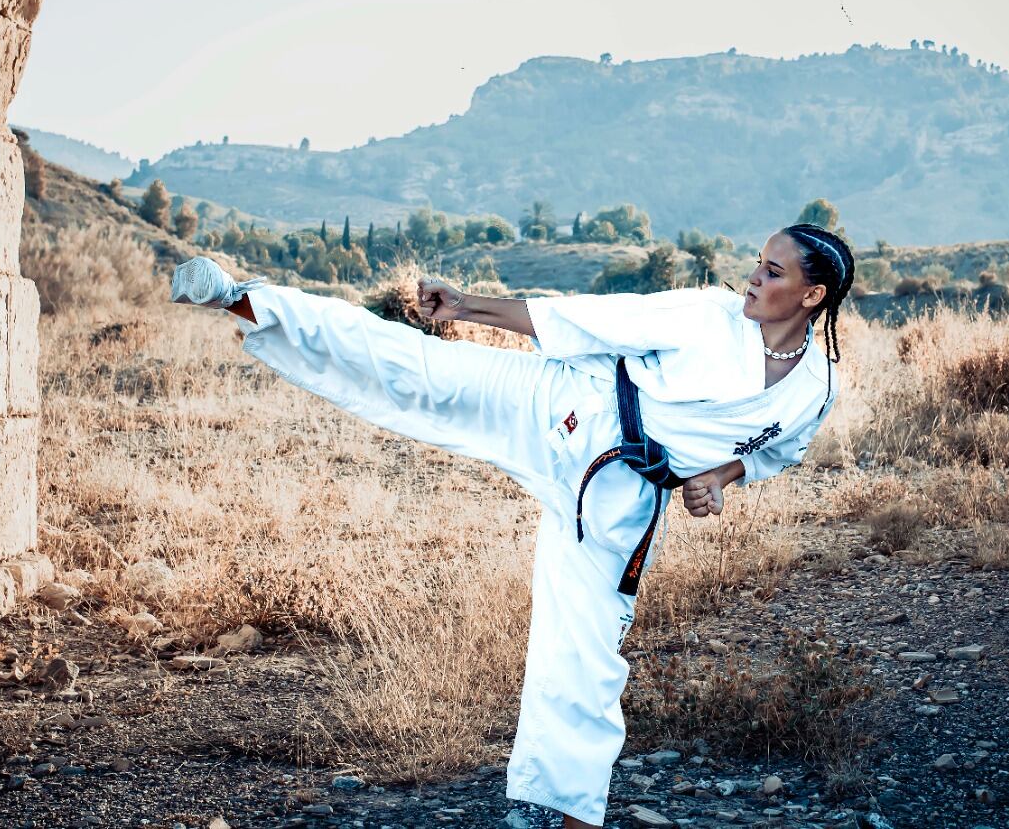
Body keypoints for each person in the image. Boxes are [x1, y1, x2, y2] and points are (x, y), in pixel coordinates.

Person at [168, 223, 854, 828]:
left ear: (812, 295)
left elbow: (775, 450)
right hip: (565, 407)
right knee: (422, 370)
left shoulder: (814, 386)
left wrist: (718, 480)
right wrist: (466, 306)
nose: (754, 278)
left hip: (615, 496)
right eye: (758, 263)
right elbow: (583, 321)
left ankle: (575, 816)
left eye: (772, 272)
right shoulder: (707, 314)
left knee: (588, 655)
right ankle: (245, 297)